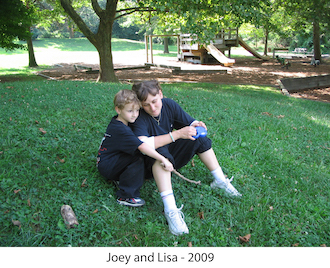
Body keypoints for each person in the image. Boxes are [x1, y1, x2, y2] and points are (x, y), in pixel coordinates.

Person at [131, 80, 241, 235]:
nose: (152, 108)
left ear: (160, 94)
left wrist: (197, 124)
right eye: (146, 104)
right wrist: (176, 134)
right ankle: (171, 210)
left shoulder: (168, 105)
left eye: (155, 101)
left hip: (169, 156)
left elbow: (189, 122)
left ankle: (220, 180)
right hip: (146, 164)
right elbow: (142, 144)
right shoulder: (139, 116)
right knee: (161, 153)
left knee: (198, 137)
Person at [97, 89, 173, 207]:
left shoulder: (121, 122)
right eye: (130, 111)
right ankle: (126, 196)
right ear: (118, 109)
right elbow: (142, 147)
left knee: (136, 155)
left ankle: (123, 178)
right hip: (107, 165)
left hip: (110, 160)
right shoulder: (120, 129)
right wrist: (163, 159)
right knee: (137, 158)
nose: (135, 114)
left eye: (137, 110)